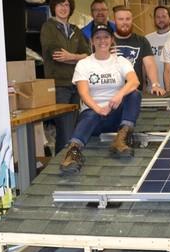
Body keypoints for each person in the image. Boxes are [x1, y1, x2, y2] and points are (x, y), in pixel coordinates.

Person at [61, 23, 163, 175]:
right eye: (98, 37)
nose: (102, 41)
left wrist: (118, 95)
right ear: (92, 41)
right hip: (94, 116)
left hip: (116, 115)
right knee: (90, 115)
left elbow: (134, 81)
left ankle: (121, 139)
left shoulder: (121, 61)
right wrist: (99, 109)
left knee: (134, 93)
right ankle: (73, 152)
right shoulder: (84, 64)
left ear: (112, 39)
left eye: (106, 37)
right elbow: (83, 93)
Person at [40, 0, 90, 153]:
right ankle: (62, 161)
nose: (63, 8)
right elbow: (57, 55)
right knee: (65, 129)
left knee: (75, 128)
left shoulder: (75, 29)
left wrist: (71, 56)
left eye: (66, 5)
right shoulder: (48, 27)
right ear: (54, 7)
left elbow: (88, 55)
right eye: (60, 4)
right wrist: (77, 58)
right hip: (60, 85)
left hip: (77, 84)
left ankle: (72, 157)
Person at [112, 5, 162, 94]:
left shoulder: (141, 41)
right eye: (121, 19)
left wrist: (155, 84)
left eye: (128, 19)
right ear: (114, 21)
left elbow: (150, 64)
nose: (125, 22)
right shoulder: (107, 41)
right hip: (112, 93)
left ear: (132, 20)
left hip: (134, 93)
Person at [144, 5, 170, 91]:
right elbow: (144, 66)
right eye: (157, 17)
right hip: (152, 90)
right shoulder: (147, 39)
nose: (161, 19)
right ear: (154, 20)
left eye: (163, 16)